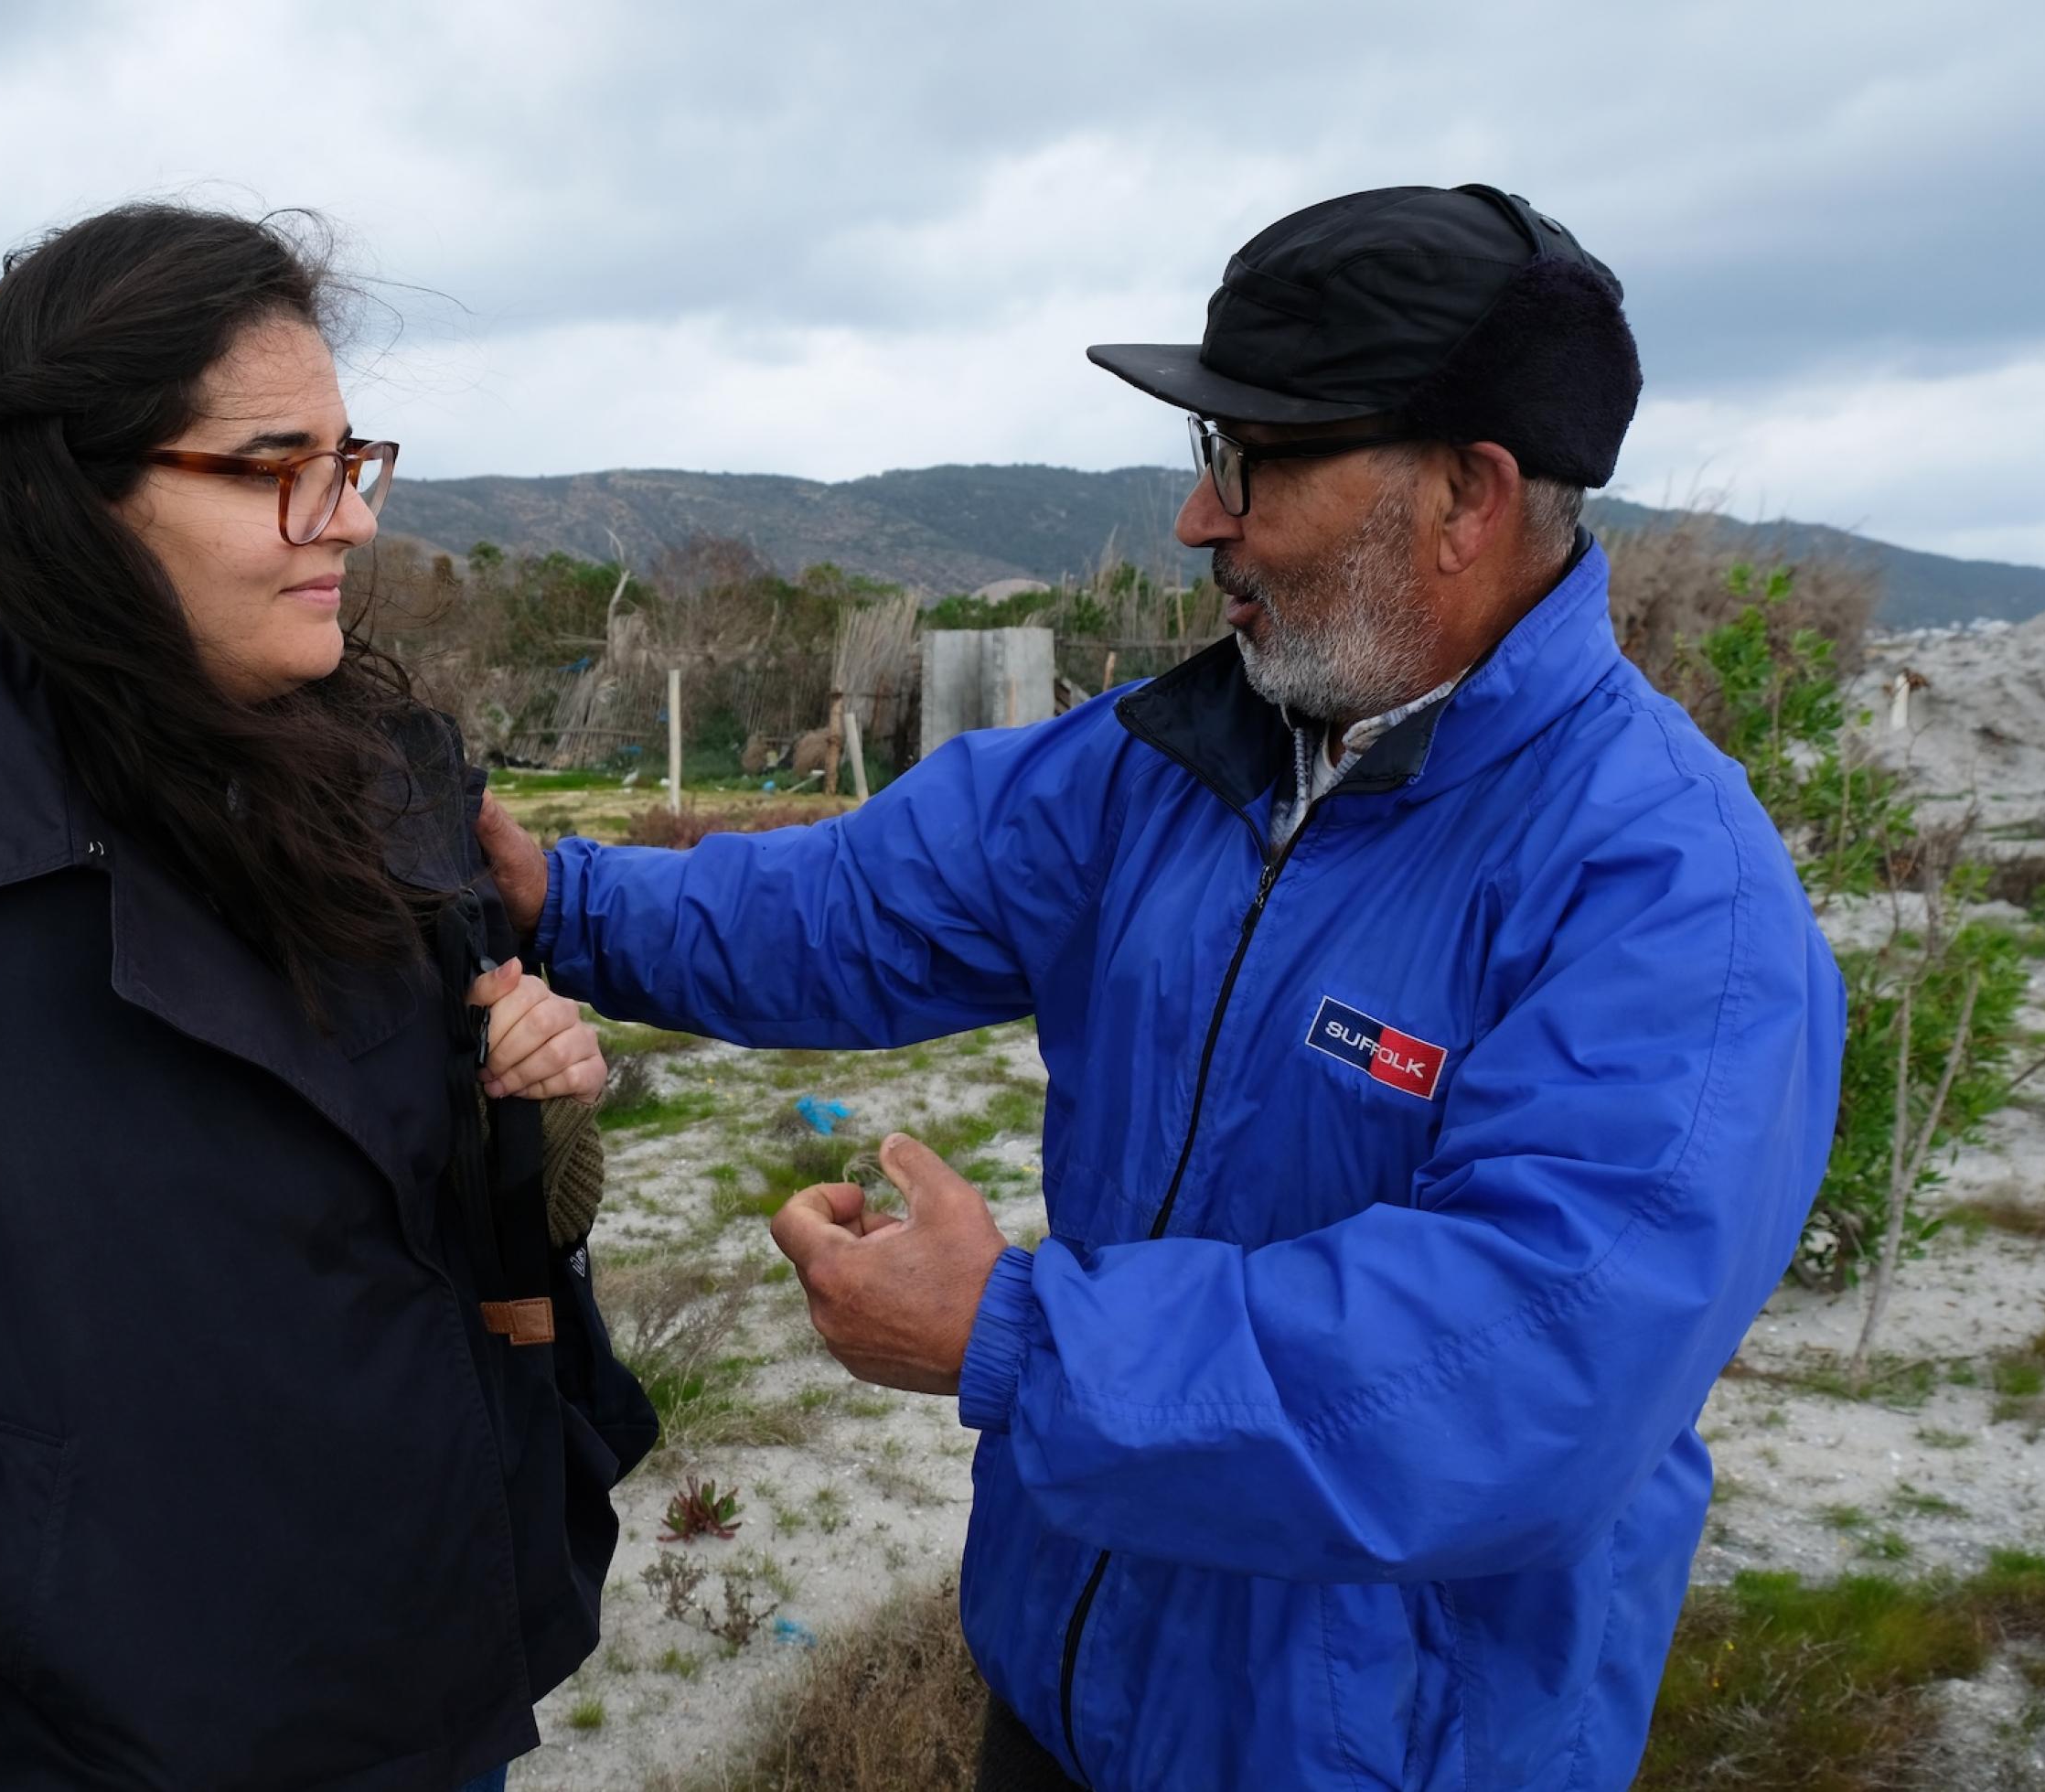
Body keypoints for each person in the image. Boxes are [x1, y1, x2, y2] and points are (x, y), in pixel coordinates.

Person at [474, 185, 1843, 1789]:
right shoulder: (1177, 763)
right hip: (1067, 1703)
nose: (1203, 522)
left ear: (1466, 495)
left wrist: (1017, 1338)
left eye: (1250, 462)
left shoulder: (1671, 892)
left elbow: (1524, 1368)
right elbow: (858, 902)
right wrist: (556, 898)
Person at [0, 202, 654, 1792]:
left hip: (431, 1676)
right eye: (277, 466)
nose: (346, 521)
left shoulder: (390, 784)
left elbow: (399, 1212)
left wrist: (525, 1132)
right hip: (86, 1740)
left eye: (354, 461)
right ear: (77, 499)